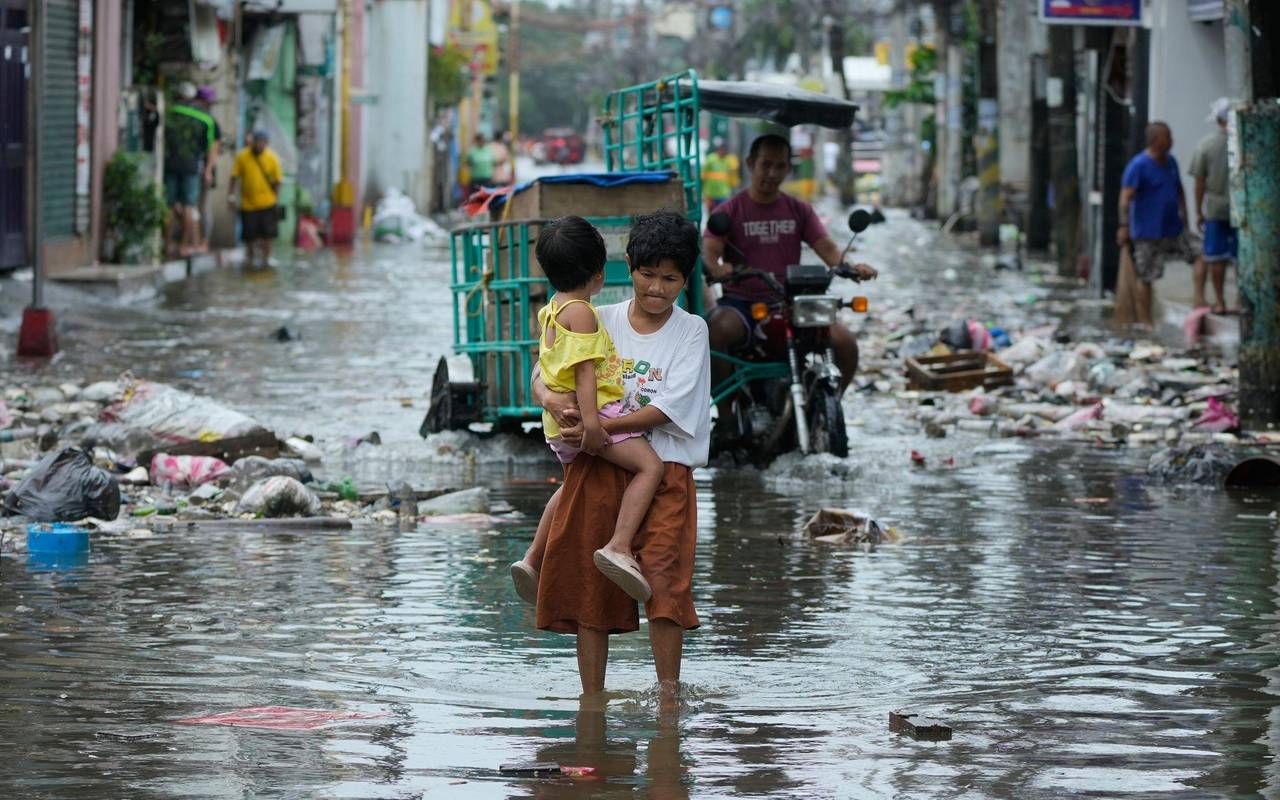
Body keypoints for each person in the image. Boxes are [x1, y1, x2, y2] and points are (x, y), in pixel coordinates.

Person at [523, 210, 709, 703]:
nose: (656, 288)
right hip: (598, 466)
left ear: (685, 280)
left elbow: (668, 408)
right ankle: (592, 700)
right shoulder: (594, 315)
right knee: (592, 587)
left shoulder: (692, 332)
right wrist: (551, 402)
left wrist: (598, 426)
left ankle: (667, 694)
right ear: (628, 267)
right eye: (648, 275)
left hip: (666, 469)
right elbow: (542, 373)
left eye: (670, 279)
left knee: (665, 584)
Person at [509, 216, 665, 603]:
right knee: (650, 467)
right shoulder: (582, 312)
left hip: (556, 425)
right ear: (598, 274)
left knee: (569, 487)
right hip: (590, 418)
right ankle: (619, 545)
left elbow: (546, 366)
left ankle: (532, 558)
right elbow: (584, 374)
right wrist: (596, 429)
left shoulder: (550, 309)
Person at [701, 134, 878, 425]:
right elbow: (709, 252)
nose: (772, 174)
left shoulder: (799, 209)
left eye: (780, 166)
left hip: (790, 304)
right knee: (714, 332)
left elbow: (828, 249)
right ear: (750, 164)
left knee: (845, 343)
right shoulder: (729, 211)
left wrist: (850, 267)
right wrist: (717, 268)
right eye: (765, 165)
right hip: (743, 304)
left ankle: (826, 410)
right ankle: (728, 415)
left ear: (787, 169)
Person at [1117, 122, 1200, 328]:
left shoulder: (1171, 162)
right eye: (1168, 136)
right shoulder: (1138, 166)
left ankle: (1199, 298)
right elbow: (1125, 198)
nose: (1172, 140)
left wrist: (1186, 219)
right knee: (1146, 276)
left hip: (1173, 228)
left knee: (1201, 253)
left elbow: (1179, 189)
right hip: (1147, 232)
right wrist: (1124, 226)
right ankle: (1146, 323)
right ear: (1156, 140)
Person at [1189, 98, 1236, 314]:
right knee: (1240, 257)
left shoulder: (1206, 145)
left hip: (1216, 209)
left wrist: (1198, 211)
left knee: (1217, 258)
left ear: (1218, 120)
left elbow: (1199, 182)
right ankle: (1244, 302)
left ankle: (1220, 301)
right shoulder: (1246, 141)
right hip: (1242, 210)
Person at [164, 82, 217, 257]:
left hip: (170, 163)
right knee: (189, 206)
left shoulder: (170, 112)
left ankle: (167, 244)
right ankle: (183, 246)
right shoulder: (206, 119)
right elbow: (211, 147)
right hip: (191, 166)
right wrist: (208, 170)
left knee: (168, 205)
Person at [228, 130, 284, 269]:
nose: (260, 145)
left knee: (267, 235)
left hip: (267, 202)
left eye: (263, 142)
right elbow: (234, 177)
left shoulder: (272, 158)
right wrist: (231, 196)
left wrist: (276, 199)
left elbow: (278, 181)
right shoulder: (242, 157)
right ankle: (250, 258)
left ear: (266, 143)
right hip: (248, 204)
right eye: (258, 141)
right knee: (249, 235)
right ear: (252, 142)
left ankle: (267, 259)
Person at [193, 86, 222, 252]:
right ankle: (195, 240)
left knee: (203, 206)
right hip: (191, 168)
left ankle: (204, 242)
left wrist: (208, 170)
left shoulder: (210, 122)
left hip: (204, 169)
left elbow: (214, 148)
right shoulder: (193, 119)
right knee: (191, 206)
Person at [701, 138, 740, 213]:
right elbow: (703, 176)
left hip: (724, 193)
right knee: (711, 213)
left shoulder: (729, 160)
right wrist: (703, 193)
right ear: (718, 149)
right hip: (710, 193)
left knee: (723, 213)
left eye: (725, 150)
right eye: (722, 149)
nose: (723, 151)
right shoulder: (711, 159)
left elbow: (735, 170)